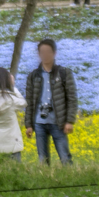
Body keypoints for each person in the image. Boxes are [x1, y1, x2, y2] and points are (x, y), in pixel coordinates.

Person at [24, 38, 77, 166]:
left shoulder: (64, 73)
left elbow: (72, 98)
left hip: (58, 122)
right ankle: (45, 182)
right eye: (42, 52)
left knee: (65, 157)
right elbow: (29, 101)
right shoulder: (33, 76)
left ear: (54, 53)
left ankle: (71, 181)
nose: (45, 55)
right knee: (43, 159)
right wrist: (28, 124)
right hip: (39, 123)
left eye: (48, 51)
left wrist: (69, 121)